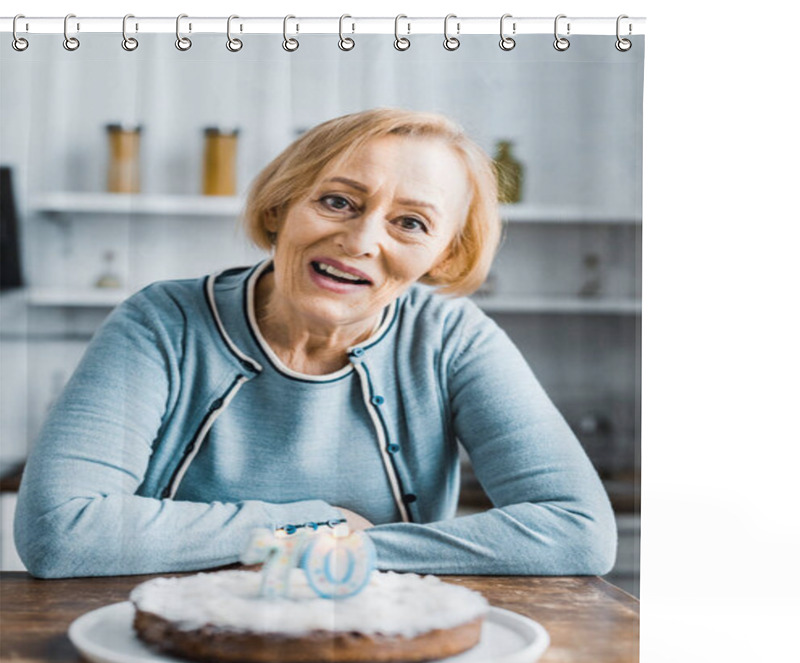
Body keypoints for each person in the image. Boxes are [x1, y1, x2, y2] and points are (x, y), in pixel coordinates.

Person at [14, 108, 616, 579]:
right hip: (168, 638)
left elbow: (578, 530)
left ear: (446, 254)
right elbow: (59, 529)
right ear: (281, 206)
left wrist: (354, 545)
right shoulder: (162, 321)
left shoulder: (452, 338)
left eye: (410, 222)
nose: (359, 240)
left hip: (381, 642)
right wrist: (307, 524)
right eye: (337, 201)